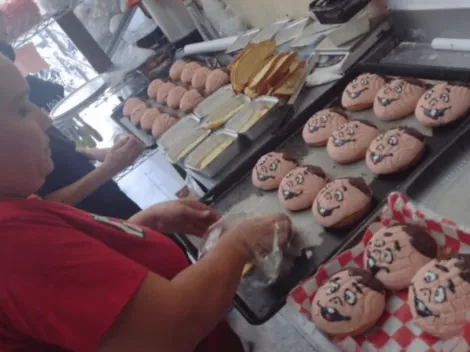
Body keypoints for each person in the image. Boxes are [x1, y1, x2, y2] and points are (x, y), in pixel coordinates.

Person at [0, 53, 292, 351]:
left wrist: (138, 227)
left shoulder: (15, 205)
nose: (44, 119)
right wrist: (241, 242)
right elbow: (170, 329)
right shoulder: (10, 243)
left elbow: (78, 284)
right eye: (22, 109)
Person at [0, 40, 146, 219]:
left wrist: (96, 153)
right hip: (88, 215)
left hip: (104, 193)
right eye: (21, 110)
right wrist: (109, 167)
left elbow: (59, 146)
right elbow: (45, 208)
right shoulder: (15, 176)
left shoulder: (24, 106)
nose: (44, 120)